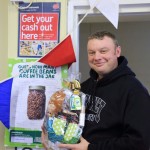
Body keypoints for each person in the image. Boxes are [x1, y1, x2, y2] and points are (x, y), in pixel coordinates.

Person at [42, 31, 150, 150]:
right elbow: (69, 123)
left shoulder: (134, 91)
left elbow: (139, 143)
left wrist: (91, 148)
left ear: (117, 52)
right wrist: (52, 136)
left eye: (103, 51)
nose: (97, 57)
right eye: (92, 52)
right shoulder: (82, 88)